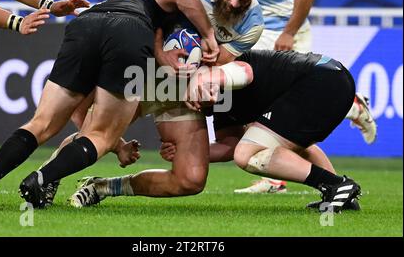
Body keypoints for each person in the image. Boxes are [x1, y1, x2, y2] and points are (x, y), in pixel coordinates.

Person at [0, 0, 221, 208]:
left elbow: (81, 114)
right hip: (130, 32)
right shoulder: (154, 4)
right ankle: (43, 177)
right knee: (102, 136)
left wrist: (119, 146)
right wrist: (209, 35)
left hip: (84, 25)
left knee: (41, 124)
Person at [70, 49, 362, 213]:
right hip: (336, 81)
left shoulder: (228, 74)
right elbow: (228, 145)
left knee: (251, 154)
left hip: (321, 84)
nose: (195, 104)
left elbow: (241, 73)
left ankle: (336, 186)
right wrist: (188, 152)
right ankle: (341, 195)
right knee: (282, 143)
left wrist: (210, 78)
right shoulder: (221, 104)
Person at [230, 0, 377, 194]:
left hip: (278, 34)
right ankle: (329, 186)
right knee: (272, 121)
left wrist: (289, 33)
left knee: (275, 115)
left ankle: (351, 105)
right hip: (259, 33)